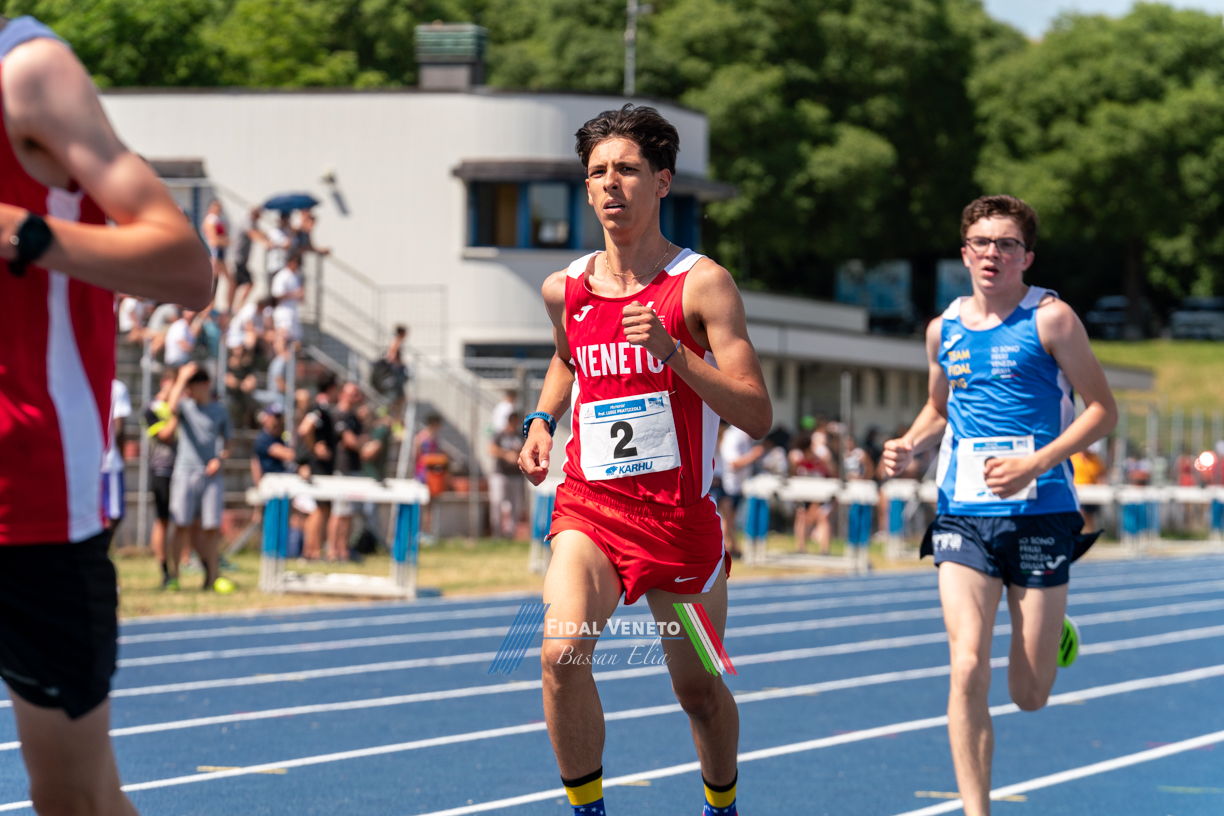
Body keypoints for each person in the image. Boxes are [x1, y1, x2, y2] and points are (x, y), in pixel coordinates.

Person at [518, 104, 770, 816]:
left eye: (627, 169)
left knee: (698, 692)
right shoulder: (564, 288)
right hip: (591, 508)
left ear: (662, 181)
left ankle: (721, 804)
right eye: (598, 171)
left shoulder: (702, 284)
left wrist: (674, 352)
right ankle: (587, 810)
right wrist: (542, 419)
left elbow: (756, 413)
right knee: (560, 654)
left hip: (678, 523)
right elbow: (568, 356)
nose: (611, 184)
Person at [0, 14, 211, 816]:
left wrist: (22, 233)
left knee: (74, 800)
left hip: (31, 505)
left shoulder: (29, 74)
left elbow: (187, 268)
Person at [880, 195, 1117, 816]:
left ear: (1026, 258)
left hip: (1041, 512)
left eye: (1007, 244)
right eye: (981, 243)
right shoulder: (943, 330)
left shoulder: (1052, 320)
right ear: (964, 254)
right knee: (966, 665)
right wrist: (908, 444)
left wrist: (1036, 463)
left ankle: (1051, 631)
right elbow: (938, 408)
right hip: (963, 514)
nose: (993, 254)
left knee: (1029, 693)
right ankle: (976, 809)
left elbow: (1102, 411)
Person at [163, 363, 234, 594]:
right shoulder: (185, 406)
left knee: (211, 527)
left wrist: (219, 459)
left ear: (205, 385)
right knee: (180, 524)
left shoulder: (220, 411)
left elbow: (229, 444)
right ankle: (174, 577)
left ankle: (212, 578)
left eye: (191, 386)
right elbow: (170, 407)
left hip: (211, 475)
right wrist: (182, 377)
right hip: (185, 471)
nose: (188, 391)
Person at [142, 368, 179, 587]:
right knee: (163, 520)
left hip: (181, 470)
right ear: (165, 383)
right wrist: (176, 414)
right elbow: (165, 436)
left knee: (183, 521)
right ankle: (164, 568)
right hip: (161, 470)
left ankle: (184, 563)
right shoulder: (152, 408)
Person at [298, 373, 339, 559]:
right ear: (331, 388)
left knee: (322, 509)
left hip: (323, 466)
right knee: (319, 509)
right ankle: (312, 551)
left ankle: (313, 550)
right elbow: (305, 429)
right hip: (318, 466)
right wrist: (314, 448)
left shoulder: (323, 408)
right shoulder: (319, 407)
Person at [327, 383, 366, 562]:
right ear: (342, 394)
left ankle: (344, 550)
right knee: (338, 511)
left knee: (349, 512)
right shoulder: (338, 414)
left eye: (357, 393)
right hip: (342, 468)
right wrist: (358, 442)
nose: (355, 397)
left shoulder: (353, 417)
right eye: (352, 393)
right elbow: (352, 442)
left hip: (354, 467)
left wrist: (358, 441)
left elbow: (363, 439)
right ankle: (332, 551)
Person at [718, 421, 762, 560]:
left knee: (731, 517)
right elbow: (733, 462)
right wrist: (753, 455)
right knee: (727, 517)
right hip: (729, 482)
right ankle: (727, 547)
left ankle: (731, 546)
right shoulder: (733, 436)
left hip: (736, 483)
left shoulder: (741, 436)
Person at [488, 410, 526, 538]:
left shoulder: (520, 436)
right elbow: (491, 449)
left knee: (515, 505)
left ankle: (511, 533)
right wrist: (506, 455)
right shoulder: (500, 435)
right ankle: (497, 532)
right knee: (497, 502)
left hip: (516, 475)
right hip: (500, 474)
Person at [100, 379, 131, 531]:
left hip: (84, 462)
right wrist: (121, 455)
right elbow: (119, 429)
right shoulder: (116, 387)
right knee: (113, 515)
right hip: (108, 462)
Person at [413, 413, 447, 541]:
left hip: (433, 475)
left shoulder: (435, 439)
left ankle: (427, 531)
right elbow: (416, 455)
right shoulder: (421, 438)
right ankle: (417, 531)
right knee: (421, 503)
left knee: (430, 505)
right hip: (422, 473)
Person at [229, 205, 263, 313]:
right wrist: (267, 242)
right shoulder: (247, 221)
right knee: (249, 283)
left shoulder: (252, 222)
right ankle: (238, 308)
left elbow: (259, 232)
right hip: (237, 258)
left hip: (240, 259)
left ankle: (231, 309)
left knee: (235, 283)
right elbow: (253, 233)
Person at [251, 403, 295, 485]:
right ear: (266, 418)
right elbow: (288, 455)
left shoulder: (279, 437)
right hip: (270, 482)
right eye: (275, 417)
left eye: (279, 417)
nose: (277, 421)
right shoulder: (263, 439)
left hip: (280, 480)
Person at [201, 199, 232, 312]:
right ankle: (209, 306)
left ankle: (223, 306)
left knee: (223, 280)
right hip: (214, 253)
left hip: (220, 253)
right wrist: (226, 241)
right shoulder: (210, 220)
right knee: (214, 281)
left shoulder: (218, 220)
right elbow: (214, 240)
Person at [1070, 439, 1108, 532]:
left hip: (1091, 492)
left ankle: (1088, 534)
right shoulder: (1073, 458)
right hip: (1076, 492)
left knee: (1089, 516)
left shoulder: (1095, 459)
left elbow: (1101, 475)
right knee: (1080, 514)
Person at [270, 253, 304, 343]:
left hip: (294, 311)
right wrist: (294, 294)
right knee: (282, 337)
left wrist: (301, 296)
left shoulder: (296, 276)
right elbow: (277, 294)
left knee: (295, 340)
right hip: (283, 312)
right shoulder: (282, 276)